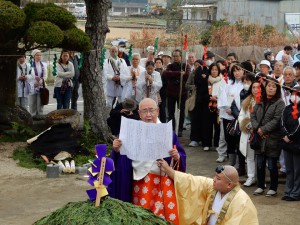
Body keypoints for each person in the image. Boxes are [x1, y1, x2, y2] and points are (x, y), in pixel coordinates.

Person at [109, 98, 186, 224]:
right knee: (141, 218)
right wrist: (117, 150)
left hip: (162, 182)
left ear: (158, 111)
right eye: (144, 111)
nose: (148, 115)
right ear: (139, 114)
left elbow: (180, 156)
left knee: (164, 218)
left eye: (151, 110)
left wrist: (177, 157)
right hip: (138, 182)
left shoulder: (168, 133)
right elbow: (121, 160)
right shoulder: (131, 132)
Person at [156, 161, 258, 225]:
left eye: (218, 179)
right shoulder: (213, 187)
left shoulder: (241, 202)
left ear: (229, 185)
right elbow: (191, 181)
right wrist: (168, 170)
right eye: (214, 177)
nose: (213, 180)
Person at [250, 78, 285, 196]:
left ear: (277, 89)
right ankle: (260, 186)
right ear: (265, 87)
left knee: (271, 164)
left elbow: (276, 119)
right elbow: (253, 115)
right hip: (259, 138)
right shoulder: (260, 100)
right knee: (259, 163)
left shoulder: (280, 102)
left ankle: (273, 188)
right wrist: (257, 129)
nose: (270, 88)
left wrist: (263, 129)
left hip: (272, 138)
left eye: (274, 86)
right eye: (269, 85)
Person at [238, 79, 261, 187]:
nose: (256, 90)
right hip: (248, 132)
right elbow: (241, 115)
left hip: (261, 132)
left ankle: (260, 179)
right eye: (254, 87)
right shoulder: (247, 101)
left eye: (258, 87)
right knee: (250, 157)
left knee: (261, 157)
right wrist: (245, 124)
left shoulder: (263, 101)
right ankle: (251, 176)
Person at [163, 49, 190, 136]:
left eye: (177, 56)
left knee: (181, 112)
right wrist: (179, 73)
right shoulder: (170, 66)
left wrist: (176, 75)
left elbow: (187, 75)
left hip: (182, 93)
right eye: (174, 56)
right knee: (171, 112)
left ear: (181, 57)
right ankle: (172, 128)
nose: (175, 58)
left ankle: (180, 129)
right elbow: (166, 74)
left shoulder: (185, 65)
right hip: (171, 93)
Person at [281, 86, 300, 201]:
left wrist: (291, 136)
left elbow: (299, 127)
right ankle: (288, 190)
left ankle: (296, 192)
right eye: (293, 93)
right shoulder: (286, 108)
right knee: (289, 169)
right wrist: (285, 135)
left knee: (298, 170)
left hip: (297, 143)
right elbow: (282, 123)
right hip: (286, 143)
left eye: (297, 94)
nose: (295, 96)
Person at [28, 49, 47, 116]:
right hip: (32, 85)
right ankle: (33, 115)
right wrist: (34, 79)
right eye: (37, 55)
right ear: (34, 56)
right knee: (32, 102)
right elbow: (28, 76)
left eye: (40, 55)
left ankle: (40, 115)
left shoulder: (44, 65)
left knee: (40, 102)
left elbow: (45, 76)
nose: (39, 56)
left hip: (41, 85)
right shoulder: (29, 65)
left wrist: (40, 82)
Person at [155, 57, 167, 122]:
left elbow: (166, 83)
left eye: (159, 63)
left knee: (162, 110)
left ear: (162, 64)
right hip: (154, 93)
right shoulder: (152, 71)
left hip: (162, 94)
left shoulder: (165, 72)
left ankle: (163, 124)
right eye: (157, 63)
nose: (158, 64)